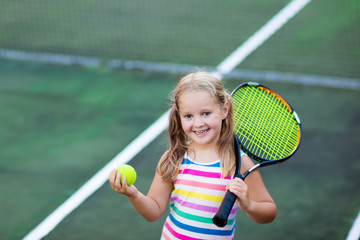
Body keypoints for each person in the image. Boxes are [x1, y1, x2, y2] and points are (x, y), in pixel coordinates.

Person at [108, 71, 276, 239]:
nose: (198, 123)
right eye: (188, 116)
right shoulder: (173, 159)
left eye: (206, 113)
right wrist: (133, 194)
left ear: (224, 110)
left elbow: (269, 212)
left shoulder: (239, 162)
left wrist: (249, 205)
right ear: (179, 116)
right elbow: (154, 211)